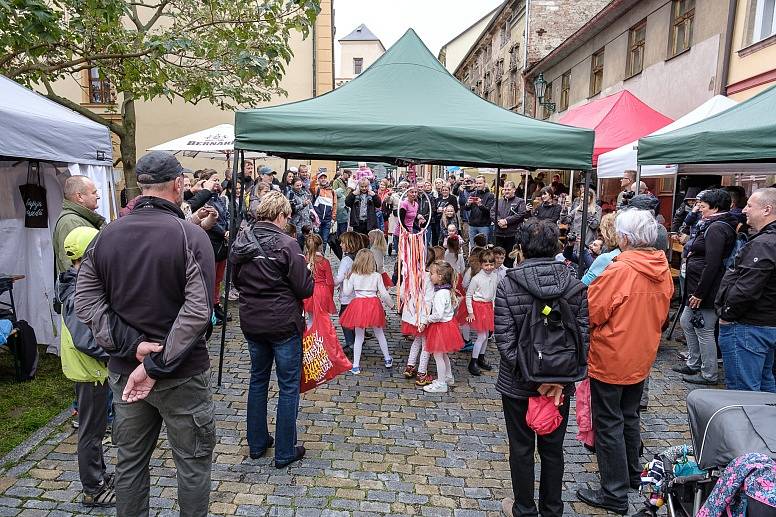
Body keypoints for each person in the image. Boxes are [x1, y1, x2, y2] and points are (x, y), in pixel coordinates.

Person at [74, 151, 216, 517]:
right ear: (179, 185)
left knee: (130, 464)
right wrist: (151, 358)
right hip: (177, 375)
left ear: (142, 185)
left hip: (129, 371)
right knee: (192, 464)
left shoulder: (106, 235)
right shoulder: (190, 236)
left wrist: (137, 351)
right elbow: (199, 311)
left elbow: (86, 303)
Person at [577, 209, 673, 515]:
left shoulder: (621, 271)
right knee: (629, 416)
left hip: (613, 356)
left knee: (609, 424)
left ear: (626, 238)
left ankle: (614, 492)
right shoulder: (660, 266)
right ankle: (633, 474)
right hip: (641, 353)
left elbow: (592, 311)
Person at [495, 218, 589, 517]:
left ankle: (524, 508)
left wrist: (531, 377)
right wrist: (557, 380)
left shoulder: (509, 283)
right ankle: (552, 509)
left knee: (521, 448)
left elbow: (505, 339)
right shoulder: (575, 284)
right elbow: (583, 337)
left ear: (520, 247)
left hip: (518, 381)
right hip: (559, 382)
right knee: (552, 448)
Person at [231, 190, 313, 467]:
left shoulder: (242, 239)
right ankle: (284, 451)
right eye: (288, 216)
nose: (288, 221)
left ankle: (257, 443)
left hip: (252, 320)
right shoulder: (287, 244)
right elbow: (304, 287)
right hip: (282, 322)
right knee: (288, 386)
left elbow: (237, 281)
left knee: (258, 380)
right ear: (280, 215)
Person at [58, 226, 114, 507]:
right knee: (91, 433)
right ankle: (93, 489)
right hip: (88, 370)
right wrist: (112, 355)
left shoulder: (79, 282)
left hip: (90, 369)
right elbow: (85, 339)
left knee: (96, 428)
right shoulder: (79, 290)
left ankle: (100, 476)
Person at [673, 189, 737, 386]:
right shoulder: (711, 224)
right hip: (697, 286)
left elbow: (713, 263)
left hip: (707, 290)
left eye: (703, 207)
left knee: (705, 329)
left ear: (716, 208)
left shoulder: (717, 228)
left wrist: (700, 293)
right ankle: (694, 362)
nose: (699, 210)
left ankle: (709, 373)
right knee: (686, 321)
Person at [716, 188, 776, 392]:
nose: (744, 210)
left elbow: (747, 288)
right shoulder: (765, 240)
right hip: (763, 323)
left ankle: (750, 425)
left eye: (750, 205)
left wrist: (727, 315)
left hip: (750, 325)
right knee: (765, 382)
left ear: (767, 209)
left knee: (745, 392)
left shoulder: (764, 244)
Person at [340, 249, 395, 374]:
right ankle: (387, 358)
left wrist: (345, 279)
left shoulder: (354, 275)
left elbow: (347, 292)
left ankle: (355, 365)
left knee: (359, 336)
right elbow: (385, 295)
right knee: (379, 333)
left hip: (359, 304)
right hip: (373, 305)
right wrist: (392, 306)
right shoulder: (376, 276)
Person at [418, 260, 463, 393]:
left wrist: (426, 320)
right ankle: (448, 377)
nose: (429, 276)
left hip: (440, 327)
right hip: (447, 326)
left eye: (431, 273)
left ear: (440, 276)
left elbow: (437, 315)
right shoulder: (446, 290)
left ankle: (442, 383)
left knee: (438, 356)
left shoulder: (439, 294)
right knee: (443, 355)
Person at [54, 175, 106, 277]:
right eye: (94, 193)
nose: (98, 196)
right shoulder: (70, 222)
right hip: (85, 290)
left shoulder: (80, 219)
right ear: (80, 197)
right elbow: (71, 267)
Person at [402, 251, 436, 384]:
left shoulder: (411, 273)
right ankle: (422, 373)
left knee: (417, 341)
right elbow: (428, 301)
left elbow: (404, 295)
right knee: (426, 345)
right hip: (422, 316)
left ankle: (410, 366)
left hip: (412, 315)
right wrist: (424, 320)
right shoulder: (429, 278)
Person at [465, 249, 498, 376]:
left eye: (491, 264)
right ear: (481, 264)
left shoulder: (494, 276)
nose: (489, 267)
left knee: (485, 335)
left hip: (488, 307)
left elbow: (494, 293)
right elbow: (469, 295)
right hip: (479, 307)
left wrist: (493, 307)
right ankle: (473, 361)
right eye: (486, 264)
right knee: (482, 336)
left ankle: (481, 357)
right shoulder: (477, 279)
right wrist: (470, 312)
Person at [335, 232, 361, 351]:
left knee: (344, 318)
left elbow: (340, 278)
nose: (340, 245)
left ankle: (351, 342)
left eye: (342, 242)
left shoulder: (346, 260)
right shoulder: (359, 257)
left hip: (348, 295)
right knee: (355, 319)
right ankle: (357, 340)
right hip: (358, 294)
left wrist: (330, 282)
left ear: (349, 244)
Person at [491, 181, 527, 268]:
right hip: (499, 234)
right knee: (497, 257)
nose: (506, 191)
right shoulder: (498, 201)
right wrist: (499, 221)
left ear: (514, 190)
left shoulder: (520, 201)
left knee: (509, 259)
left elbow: (521, 214)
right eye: (505, 189)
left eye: (509, 189)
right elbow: (492, 212)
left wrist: (507, 221)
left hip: (512, 234)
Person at [302, 234, 336, 320]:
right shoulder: (324, 261)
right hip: (322, 291)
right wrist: (330, 297)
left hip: (308, 291)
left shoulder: (303, 260)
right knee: (321, 320)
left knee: (310, 319)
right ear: (320, 245)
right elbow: (330, 282)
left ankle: (311, 333)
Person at [561, 186, 602, 252]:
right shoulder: (577, 210)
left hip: (587, 244)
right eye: (582, 197)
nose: (583, 199)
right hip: (575, 244)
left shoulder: (597, 209)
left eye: (585, 197)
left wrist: (587, 212)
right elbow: (564, 221)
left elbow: (595, 225)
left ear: (591, 198)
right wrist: (565, 208)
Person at [465, 176, 495, 249]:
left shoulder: (490, 195)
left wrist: (480, 205)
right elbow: (466, 208)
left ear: (484, 183)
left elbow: (489, 211)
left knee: (483, 248)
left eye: (480, 183)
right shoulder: (472, 194)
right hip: (472, 225)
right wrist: (468, 204)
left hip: (484, 225)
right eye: (477, 183)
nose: (478, 185)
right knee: (473, 247)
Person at [312, 172, 336, 252]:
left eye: (324, 178)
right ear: (318, 180)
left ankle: (322, 257)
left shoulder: (332, 191)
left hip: (327, 220)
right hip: (317, 220)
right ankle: (315, 256)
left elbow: (335, 205)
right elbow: (311, 186)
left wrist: (333, 218)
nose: (323, 179)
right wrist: (316, 177)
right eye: (321, 178)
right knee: (316, 240)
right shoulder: (317, 189)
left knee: (324, 241)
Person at [288, 178, 313, 250]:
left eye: (300, 185)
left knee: (307, 245)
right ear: (292, 185)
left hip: (306, 223)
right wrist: (302, 205)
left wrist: (312, 214)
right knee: (298, 245)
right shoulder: (291, 194)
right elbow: (291, 209)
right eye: (297, 185)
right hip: (297, 224)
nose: (299, 187)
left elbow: (310, 206)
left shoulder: (305, 193)